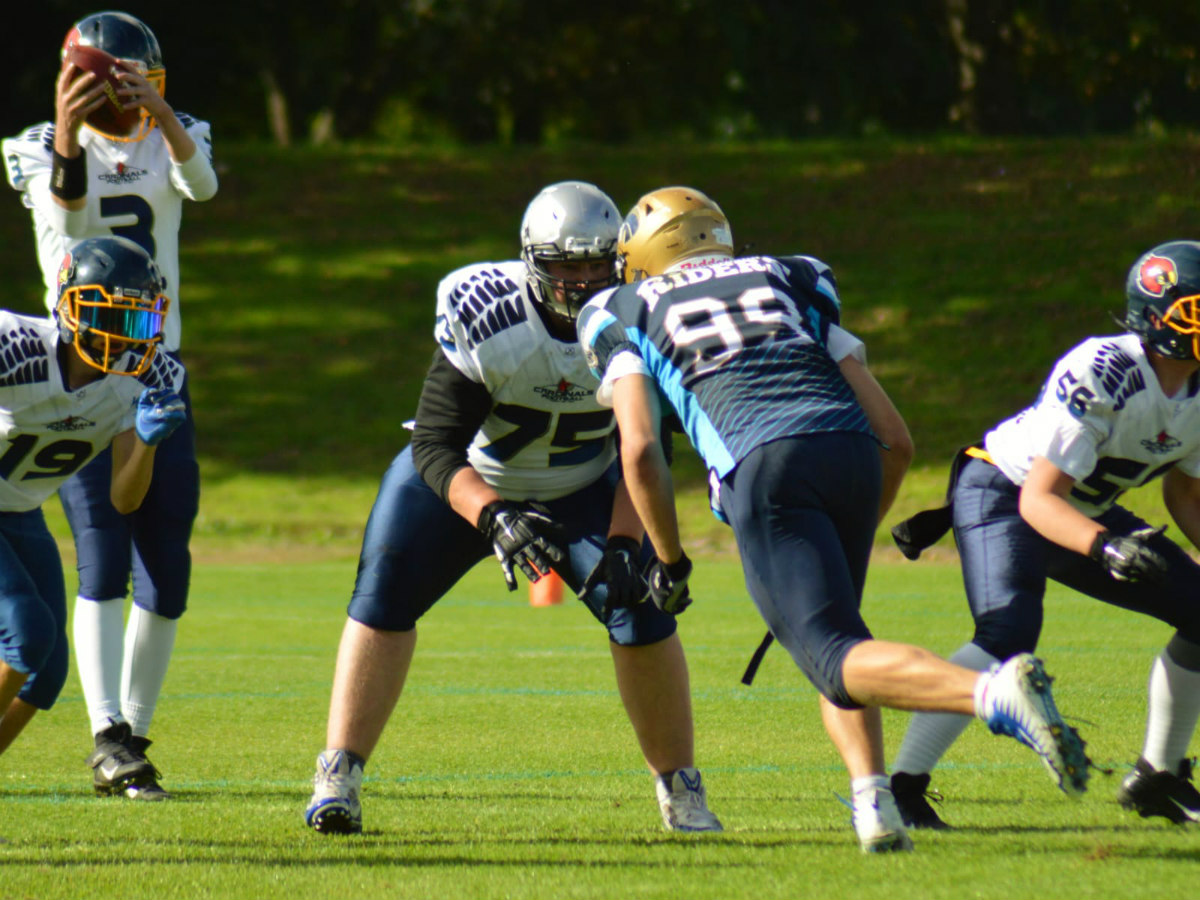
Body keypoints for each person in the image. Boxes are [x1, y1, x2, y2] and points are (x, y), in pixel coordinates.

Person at [576, 186, 1090, 853]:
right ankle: (873, 803)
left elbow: (641, 448)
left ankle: (993, 694)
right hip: (853, 452)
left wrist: (669, 559)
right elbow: (897, 439)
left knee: (835, 653)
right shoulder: (789, 275)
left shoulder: (620, 306)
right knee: (844, 641)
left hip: (765, 460)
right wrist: (857, 520)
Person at [304, 181, 722, 836]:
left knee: (639, 611)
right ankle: (340, 773)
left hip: (586, 484)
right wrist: (494, 514)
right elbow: (437, 445)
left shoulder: (639, 312)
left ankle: (681, 790)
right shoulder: (487, 311)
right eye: (565, 265)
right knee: (382, 595)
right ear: (532, 264)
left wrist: (618, 544)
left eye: (593, 263)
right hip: (469, 478)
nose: (581, 280)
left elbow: (649, 451)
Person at [888, 239, 1200, 830]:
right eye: (1196, 311)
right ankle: (902, 786)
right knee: (1008, 631)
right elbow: (1039, 497)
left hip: (1081, 504)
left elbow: (1185, 492)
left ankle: (1157, 779)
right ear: (1155, 315)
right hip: (1006, 490)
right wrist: (1105, 545)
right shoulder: (1106, 369)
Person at [2, 11, 217, 800]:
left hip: (155, 361)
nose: (128, 97)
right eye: (115, 83)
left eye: (144, 83)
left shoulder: (172, 132)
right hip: (82, 365)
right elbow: (61, 219)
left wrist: (157, 116)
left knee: (167, 563)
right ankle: (105, 733)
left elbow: (206, 185)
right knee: (101, 553)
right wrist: (67, 126)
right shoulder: (39, 145)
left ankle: (133, 727)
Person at [0, 235, 186, 777]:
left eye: (133, 321)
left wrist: (147, 443)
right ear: (68, 304)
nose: (118, 336)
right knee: (28, 636)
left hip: (19, 508)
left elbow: (124, 498)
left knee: (47, 670)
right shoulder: (16, 347)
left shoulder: (146, 381)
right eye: (106, 316)